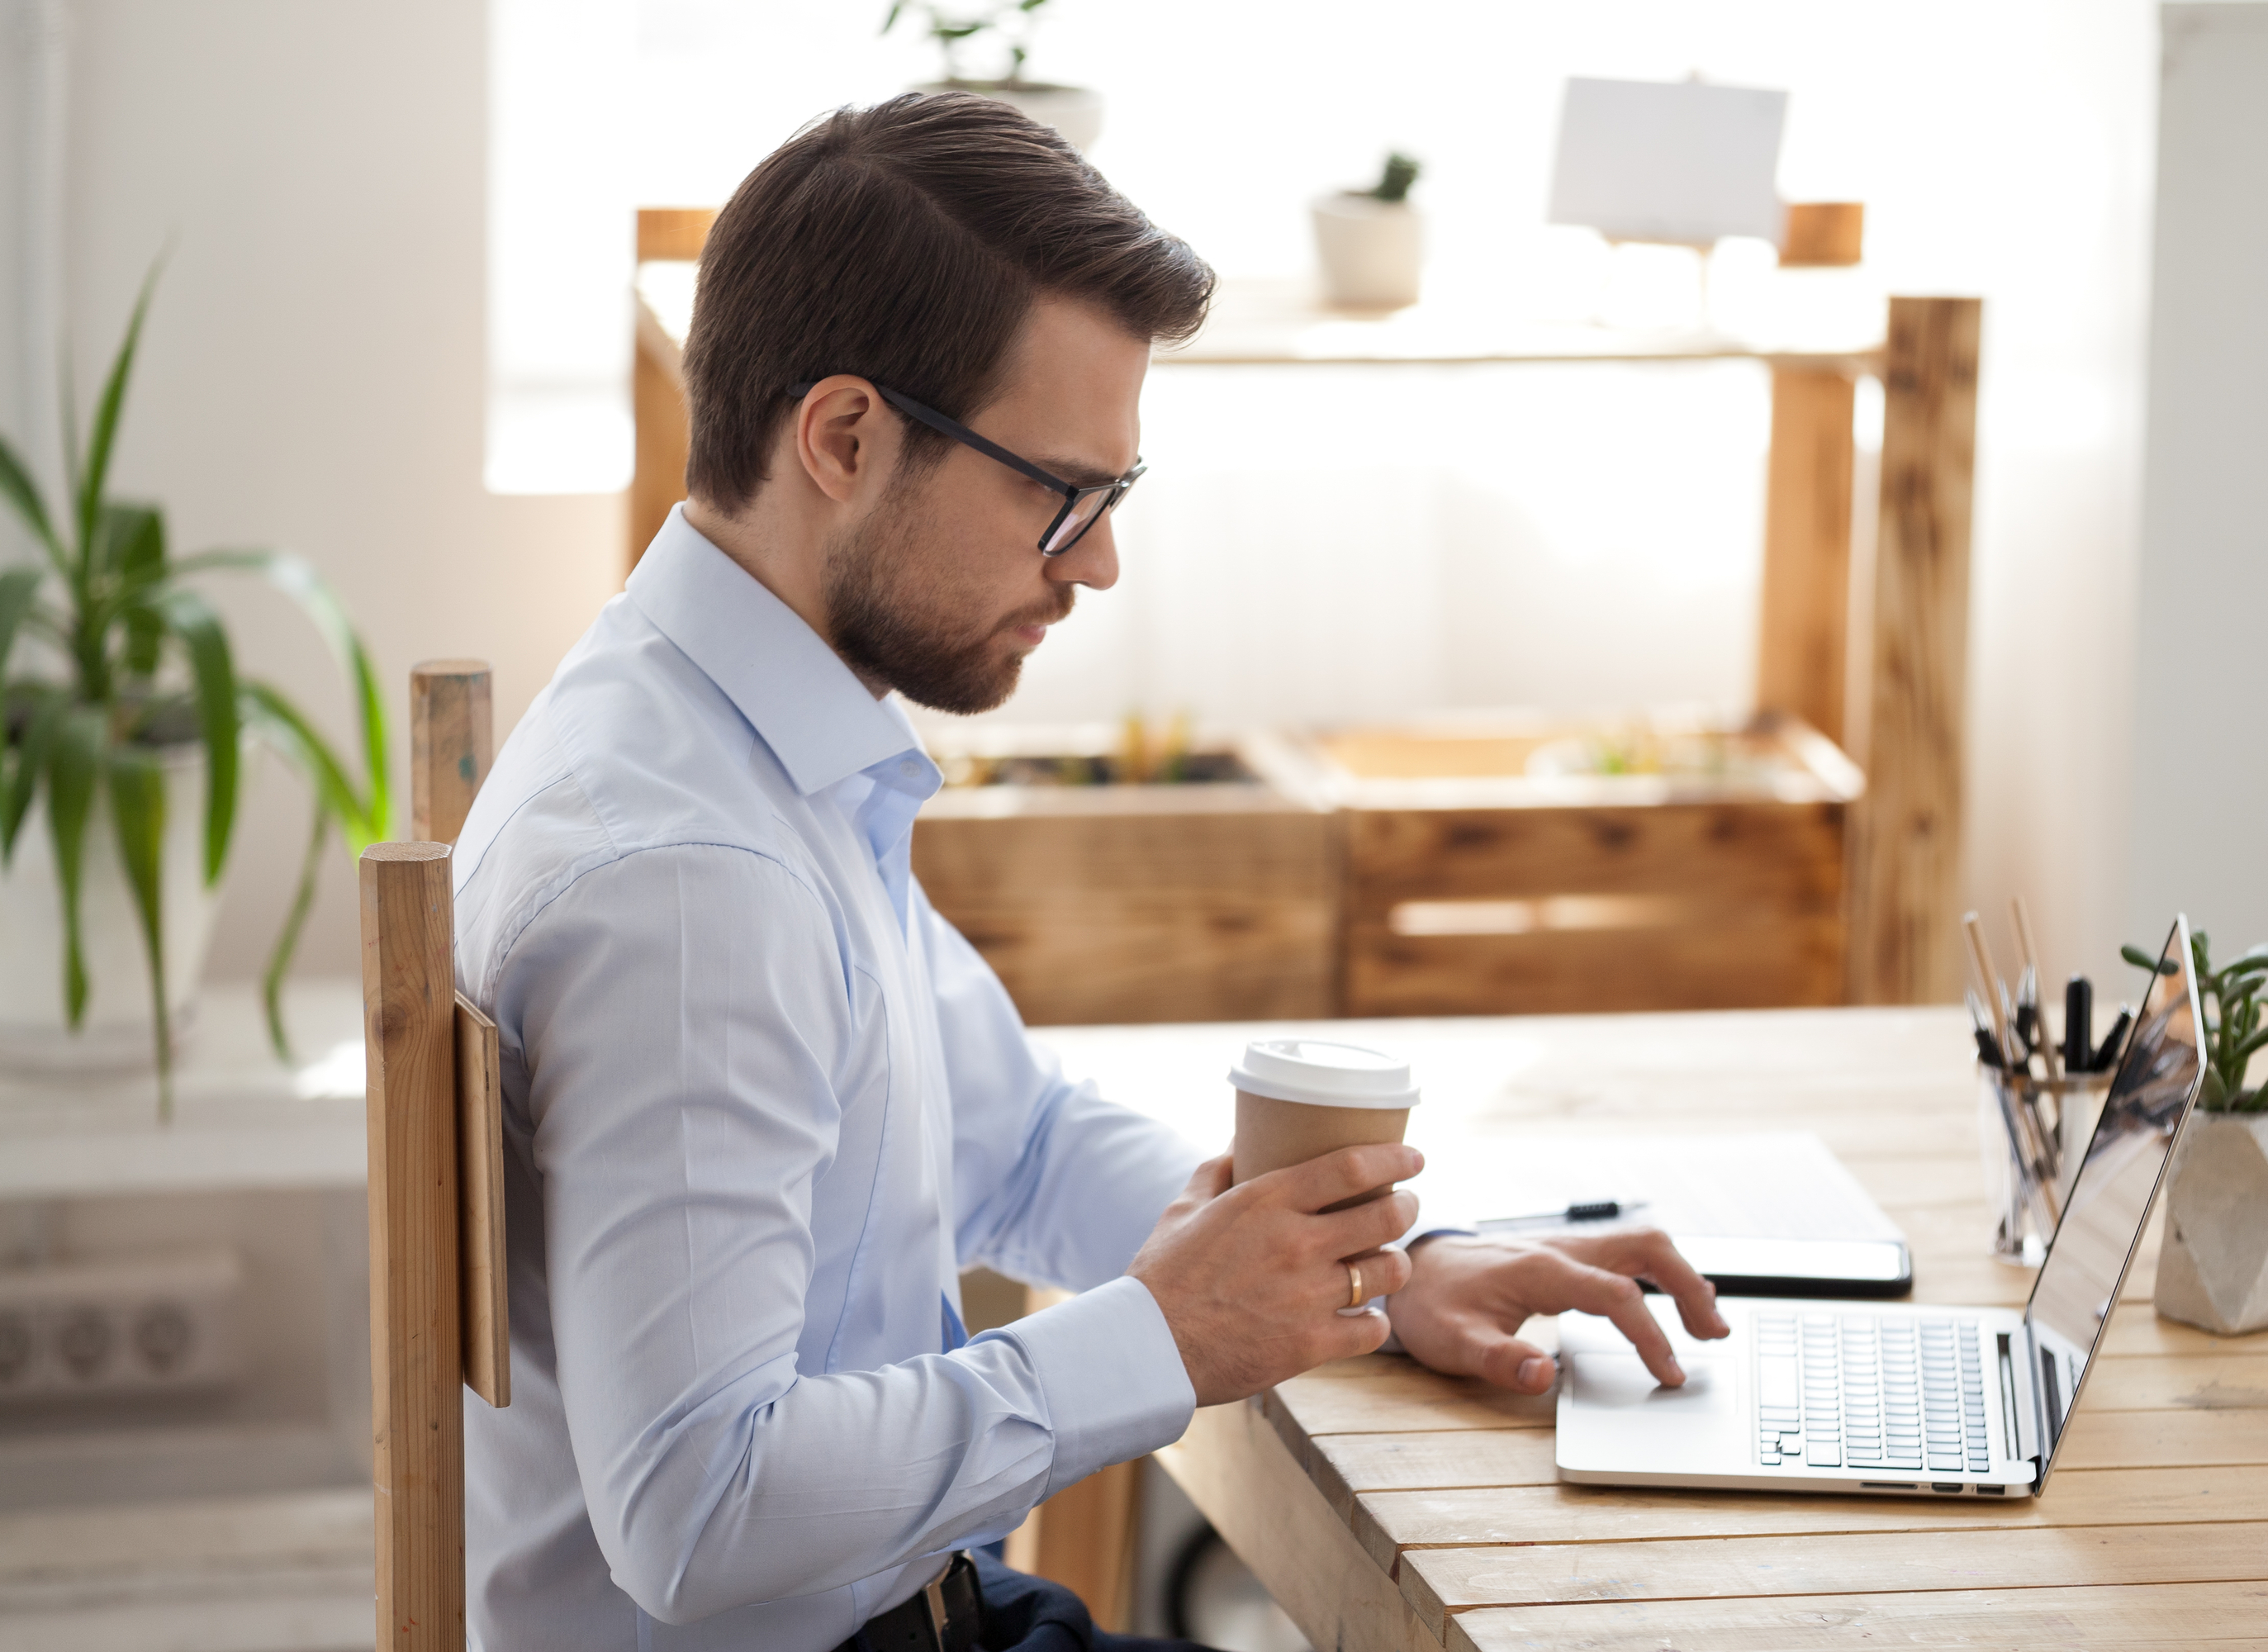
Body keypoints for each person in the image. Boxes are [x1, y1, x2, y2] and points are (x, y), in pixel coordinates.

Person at [453, 93, 1729, 1652]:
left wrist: (1387, 1271)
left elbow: (1025, 1140)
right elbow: (699, 1507)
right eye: (1061, 490)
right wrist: (1163, 1339)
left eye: (1115, 498)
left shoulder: (732, 736)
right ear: (844, 438)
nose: (1098, 561)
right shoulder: (694, 881)